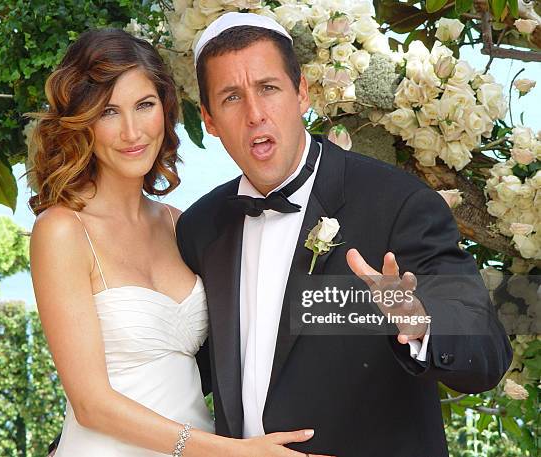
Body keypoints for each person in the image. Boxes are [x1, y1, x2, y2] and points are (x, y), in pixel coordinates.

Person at [175, 12, 513, 457]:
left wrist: (421, 321)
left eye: (268, 88)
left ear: (302, 93)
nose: (255, 114)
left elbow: (486, 350)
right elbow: (173, 363)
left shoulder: (398, 202)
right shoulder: (201, 226)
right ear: (210, 119)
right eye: (231, 97)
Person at [29, 28, 331, 457]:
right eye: (109, 111)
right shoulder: (61, 230)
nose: (132, 131)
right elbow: (90, 404)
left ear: (165, 110)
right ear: (82, 122)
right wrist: (237, 452)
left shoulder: (180, 225)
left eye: (144, 105)